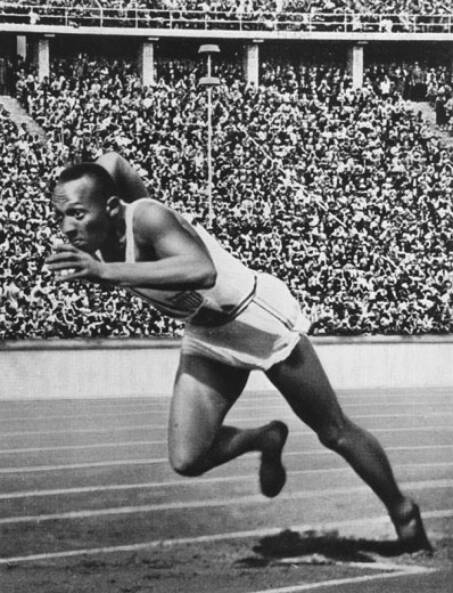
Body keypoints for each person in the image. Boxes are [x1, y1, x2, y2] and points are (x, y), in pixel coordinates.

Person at [45, 152, 432, 553]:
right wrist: (88, 191)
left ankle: (403, 511)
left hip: (255, 320)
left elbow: (202, 270)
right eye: (61, 216)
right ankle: (263, 439)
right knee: (187, 457)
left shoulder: (147, 219)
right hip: (207, 336)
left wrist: (107, 271)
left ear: (109, 206)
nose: (67, 228)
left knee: (334, 432)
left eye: (76, 214)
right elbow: (110, 162)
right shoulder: (102, 234)